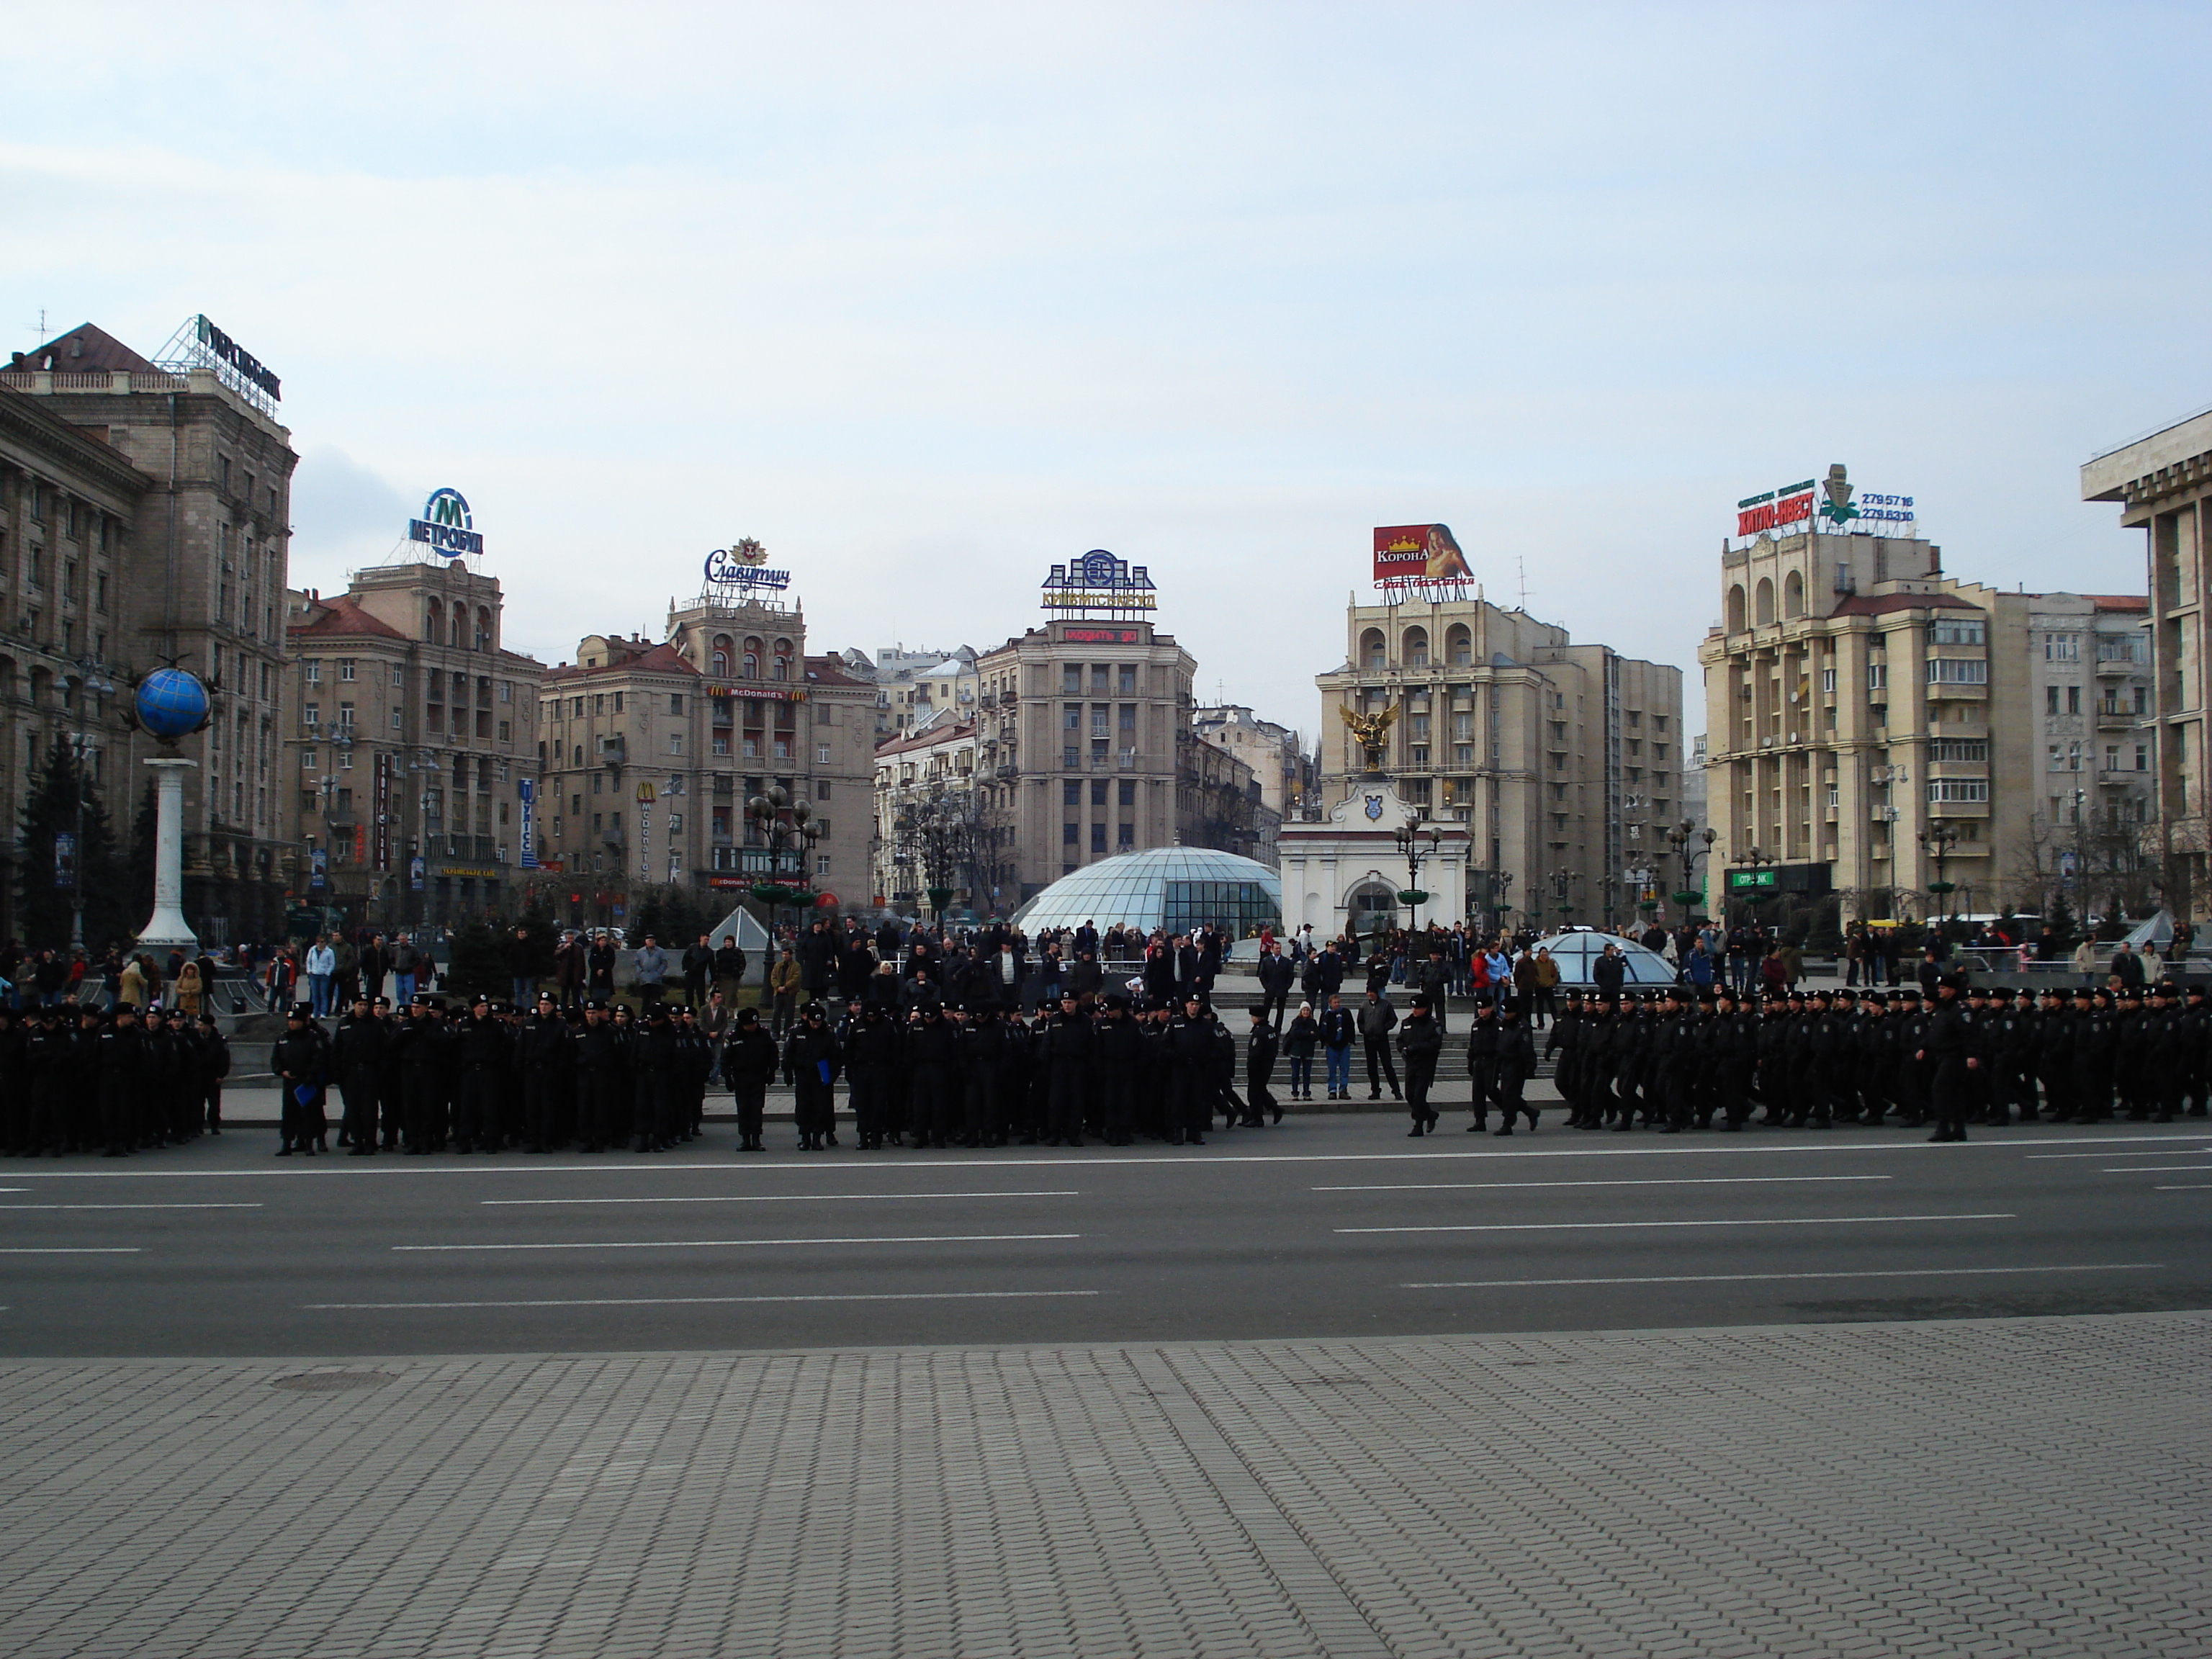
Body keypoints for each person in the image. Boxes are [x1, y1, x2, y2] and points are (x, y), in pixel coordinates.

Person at [1398, 994, 1442, 1136]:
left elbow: (1435, 1044)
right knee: (1410, 1095)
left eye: (1418, 1008)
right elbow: (1400, 1040)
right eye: (1413, 1007)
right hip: (1411, 1063)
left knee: (1419, 1096)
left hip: (1426, 1064)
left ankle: (1418, 1125)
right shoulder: (1407, 1023)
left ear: (1425, 1008)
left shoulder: (1433, 1024)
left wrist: (1417, 1048)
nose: (1415, 1010)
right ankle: (1430, 1114)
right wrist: (1403, 1049)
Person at [1359, 986, 1401, 1102]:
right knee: (1371, 1067)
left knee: (1387, 1066)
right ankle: (1375, 1090)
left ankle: (1396, 1090)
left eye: (1372, 992)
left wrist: (1384, 1028)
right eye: (1369, 992)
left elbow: (1393, 1019)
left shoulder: (1386, 1005)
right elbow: (1360, 1021)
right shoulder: (1364, 1006)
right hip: (1369, 1039)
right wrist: (1364, 1030)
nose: (1370, 994)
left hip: (1382, 1038)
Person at [1318, 992, 1356, 1102]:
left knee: (1344, 1069)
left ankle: (1343, 1089)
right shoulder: (1326, 1015)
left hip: (1344, 1045)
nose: (1337, 1004)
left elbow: (1351, 1027)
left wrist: (1350, 1040)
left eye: (1339, 1002)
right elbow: (1322, 1029)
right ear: (1330, 1003)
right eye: (1335, 1002)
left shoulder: (1346, 1013)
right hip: (1331, 1046)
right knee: (1332, 1070)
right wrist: (1325, 1042)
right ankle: (1332, 1090)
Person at [1283, 1001, 1318, 1100]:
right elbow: (1295, 1033)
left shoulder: (1313, 1022)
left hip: (1308, 1051)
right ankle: (1295, 1093)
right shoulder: (1296, 1021)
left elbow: (1316, 1035)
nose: (1306, 1012)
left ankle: (1306, 1093)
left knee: (1307, 1074)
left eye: (1307, 1010)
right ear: (1301, 1011)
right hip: (1296, 1051)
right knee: (1295, 1074)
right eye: (1304, 1010)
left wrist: (1304, 1034)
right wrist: (1308, 1033)